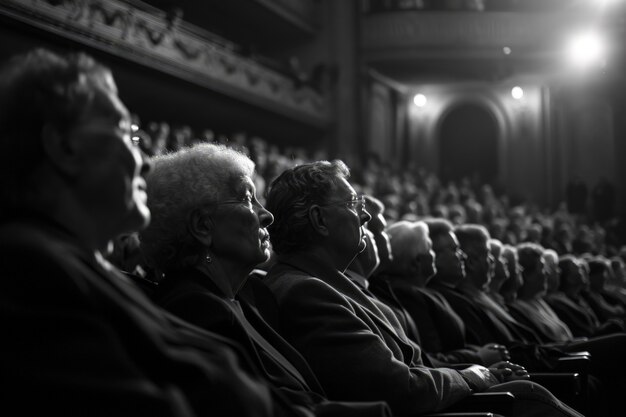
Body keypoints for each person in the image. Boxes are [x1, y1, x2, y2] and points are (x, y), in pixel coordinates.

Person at [0, 48, 294, 416]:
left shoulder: (77, 266)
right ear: (63, 147)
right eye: (124, 133)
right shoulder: (29, 270)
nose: (145, 162)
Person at [262, 160, 584, 417]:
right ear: (319, 220)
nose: (364, 214)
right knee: (530, 399)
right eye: (353, 202)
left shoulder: (325, 283)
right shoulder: (307, 292)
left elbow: (411, 368)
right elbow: (398, 389)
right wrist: (474, 377)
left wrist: (476, 370)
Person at [139, 143, 391, 417]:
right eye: (248, 198)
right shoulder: (194, 309)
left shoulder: (251, 296)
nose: (267, 215)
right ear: (203, 226)